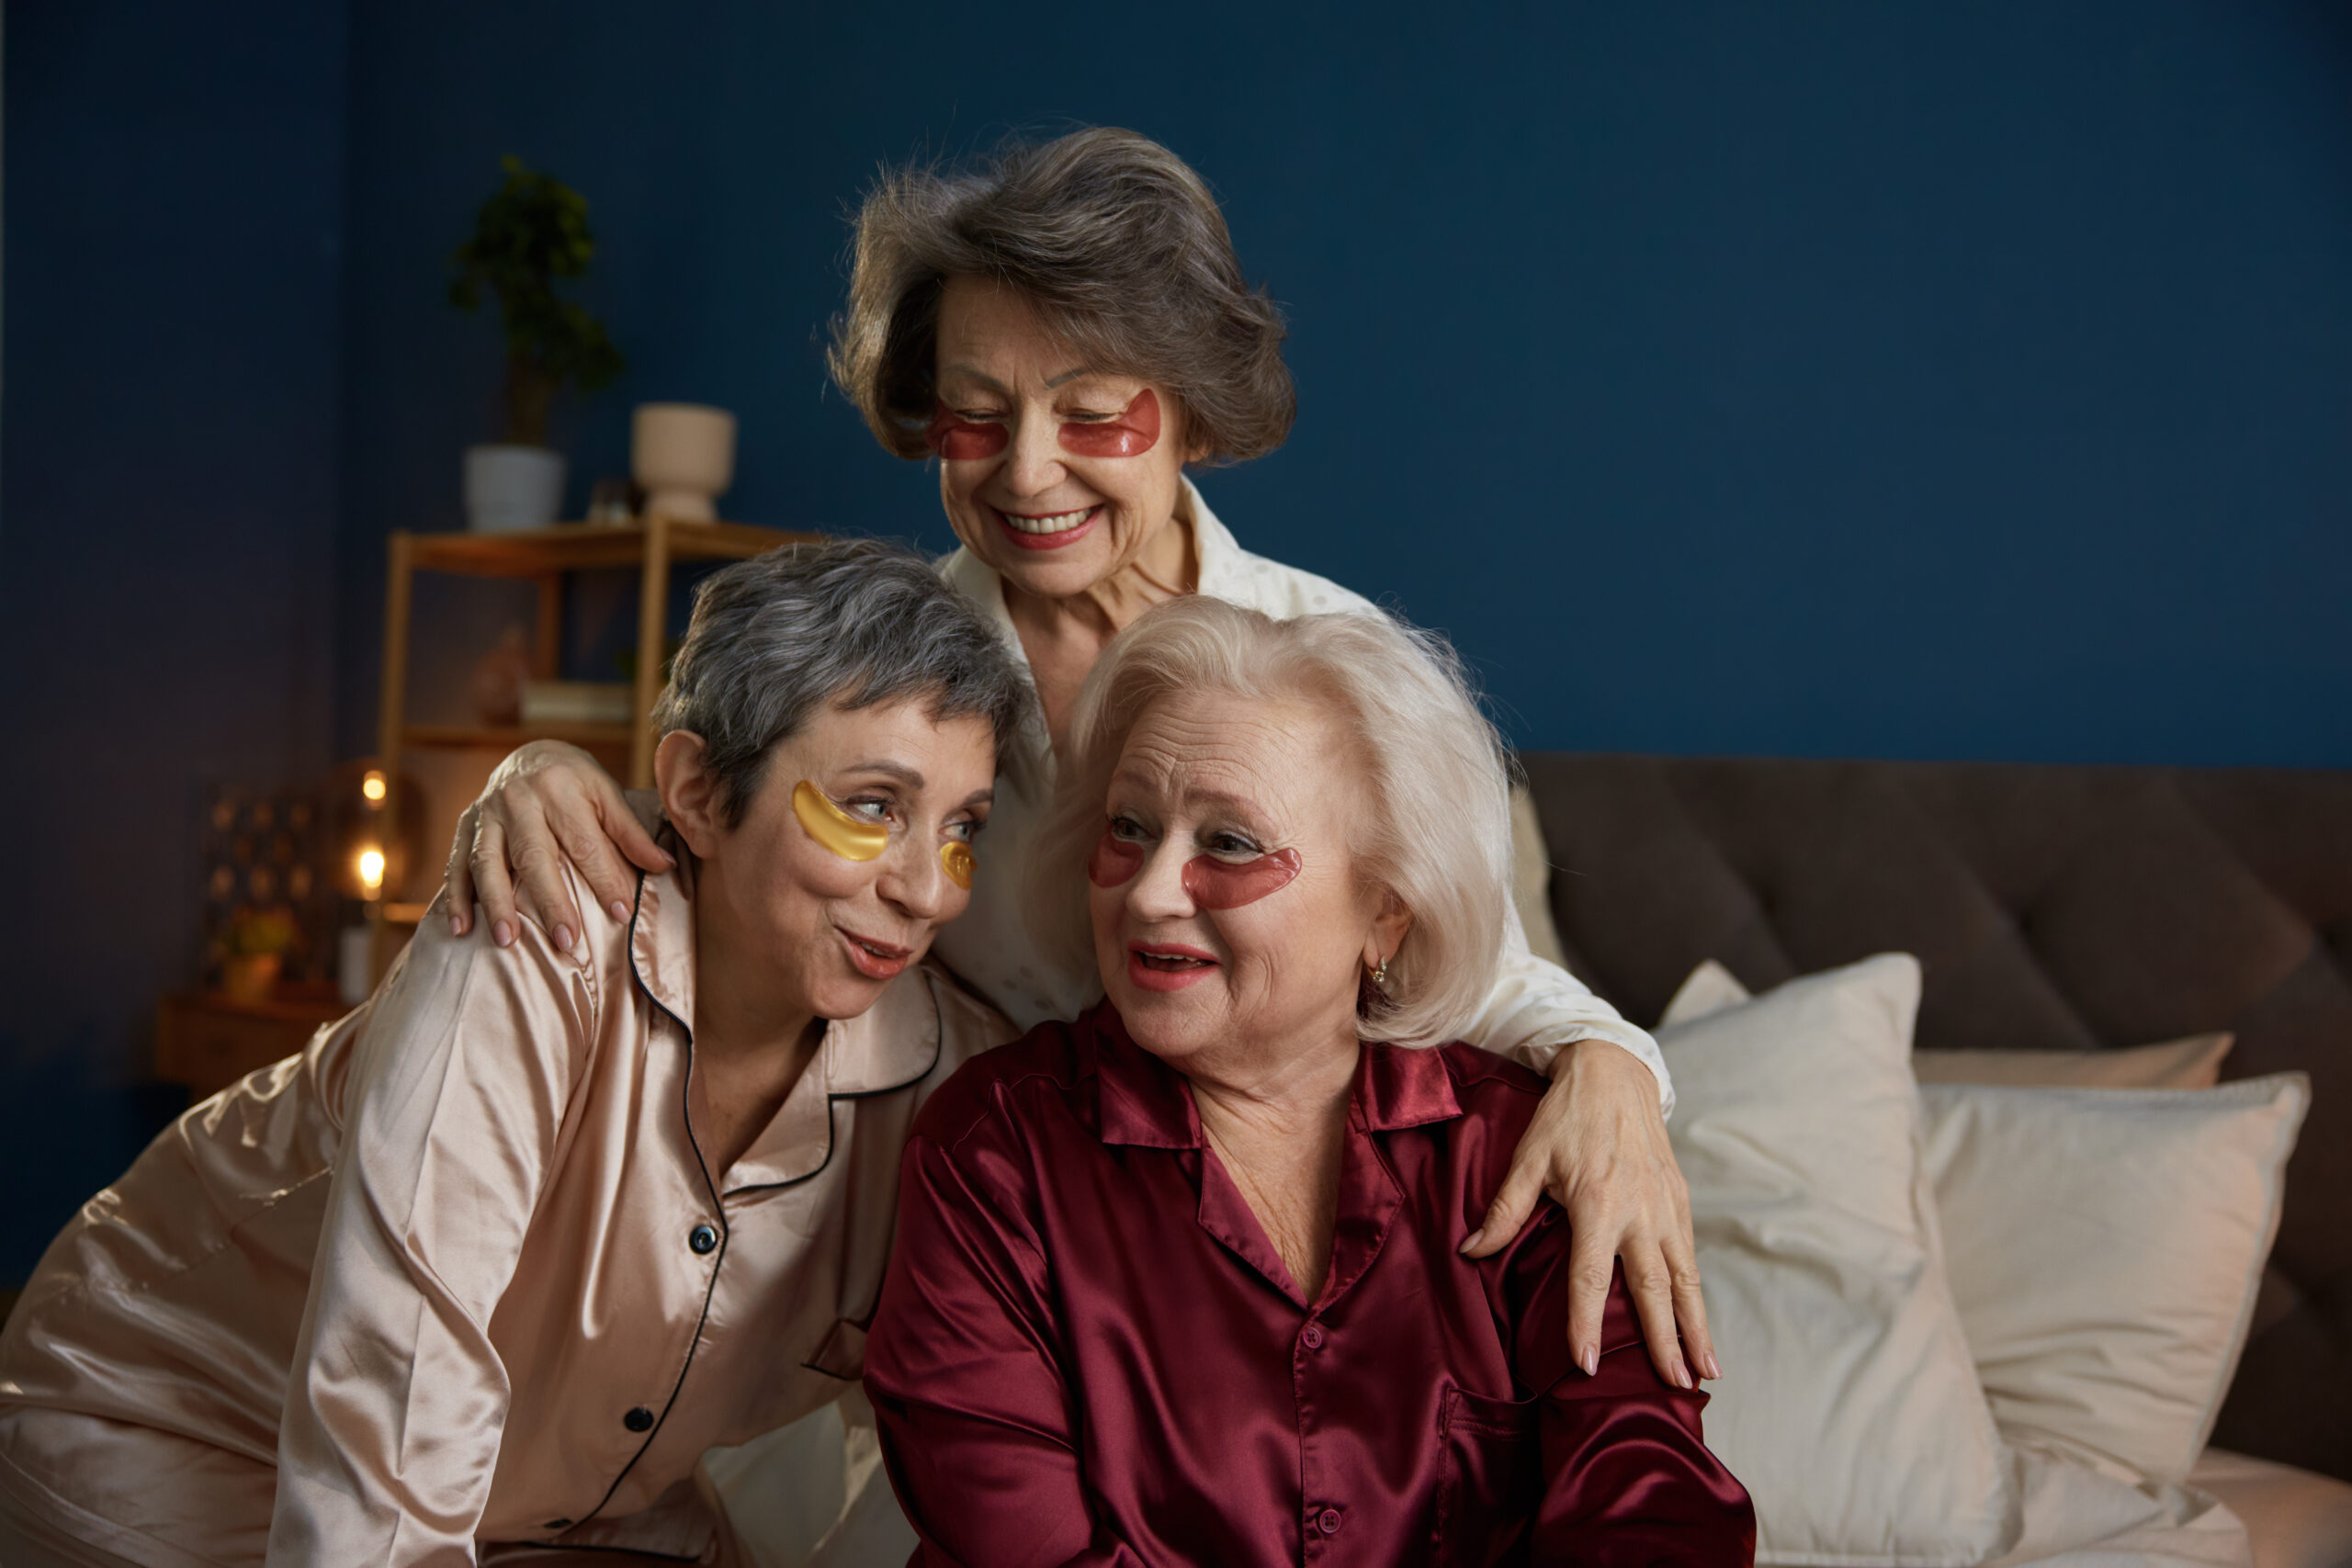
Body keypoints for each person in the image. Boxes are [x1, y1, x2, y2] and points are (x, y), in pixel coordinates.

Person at [446, 126, 1713, 1388]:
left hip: (1291, 1304)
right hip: (987, 1275)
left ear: (1195, 421)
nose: (1027, 471)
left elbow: (1470, 973)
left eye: (1093, 412)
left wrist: (1612, 1066)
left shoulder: (1334, 659)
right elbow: (737, 848)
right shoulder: (886, 668)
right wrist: (535, 775)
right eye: (976, 414)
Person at [0, 541, 1025, 1567]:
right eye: (873, 806)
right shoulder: (530, 931)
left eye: (960, 828)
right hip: (163, 1431)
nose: (929, 891)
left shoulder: (957, 1084)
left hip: (546, 1502)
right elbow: (388, 1432)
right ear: (702, 795)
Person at [865, 597, 1755, 1565]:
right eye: (1129, 826)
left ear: (1385, 913)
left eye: (1230, 843)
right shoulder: (991, 1156)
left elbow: (1652, 1513)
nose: (1151, 892)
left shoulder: (1524, 1154)